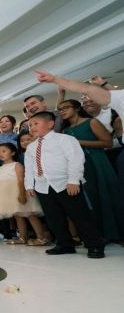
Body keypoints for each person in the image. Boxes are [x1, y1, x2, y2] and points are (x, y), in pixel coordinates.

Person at [23, 111, 105, 258]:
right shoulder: (31, 147)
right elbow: (29, 168)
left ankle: (95, 244)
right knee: (54, 218)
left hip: (65, 184)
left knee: (79, 215)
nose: (32, 127)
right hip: (43, 187)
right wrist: (29, 185)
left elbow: (75, 159)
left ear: (50, 124)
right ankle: (64, 244)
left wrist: (73, 180)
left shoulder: (65, 139)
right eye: (30, 125)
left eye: (36, 123)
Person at [59, 99, 121, 242]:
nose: (62, 111)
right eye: (60, 109)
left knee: (107, 194)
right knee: (92, 199)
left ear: (76, 108)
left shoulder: (91, 122)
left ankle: (115, 233)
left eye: (65, 108)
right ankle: (100, 234)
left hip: (97, 161)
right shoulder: (65, 131)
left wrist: (79, 143)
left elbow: (108, 142)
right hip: (81, 166)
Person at [0, 143, 48, 245]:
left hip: (20, 192)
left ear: (12, 153)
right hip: (8, 195)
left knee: (30, 214)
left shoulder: (17, 165)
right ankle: (22, 238)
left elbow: (21, 181)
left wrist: (21, 194)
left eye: (4, 151)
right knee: (17, 216)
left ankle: (41, 238)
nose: (1, 154)